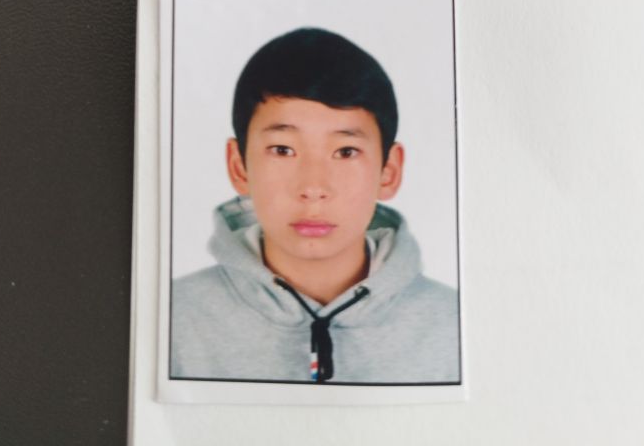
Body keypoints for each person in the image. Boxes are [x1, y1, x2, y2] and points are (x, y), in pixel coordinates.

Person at [170, 27, 460, 384]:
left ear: (389, 171)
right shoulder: (172, 320)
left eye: (345, 152)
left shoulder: (456, 327)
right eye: (283, 150)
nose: (312, 188)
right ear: (238, 165)